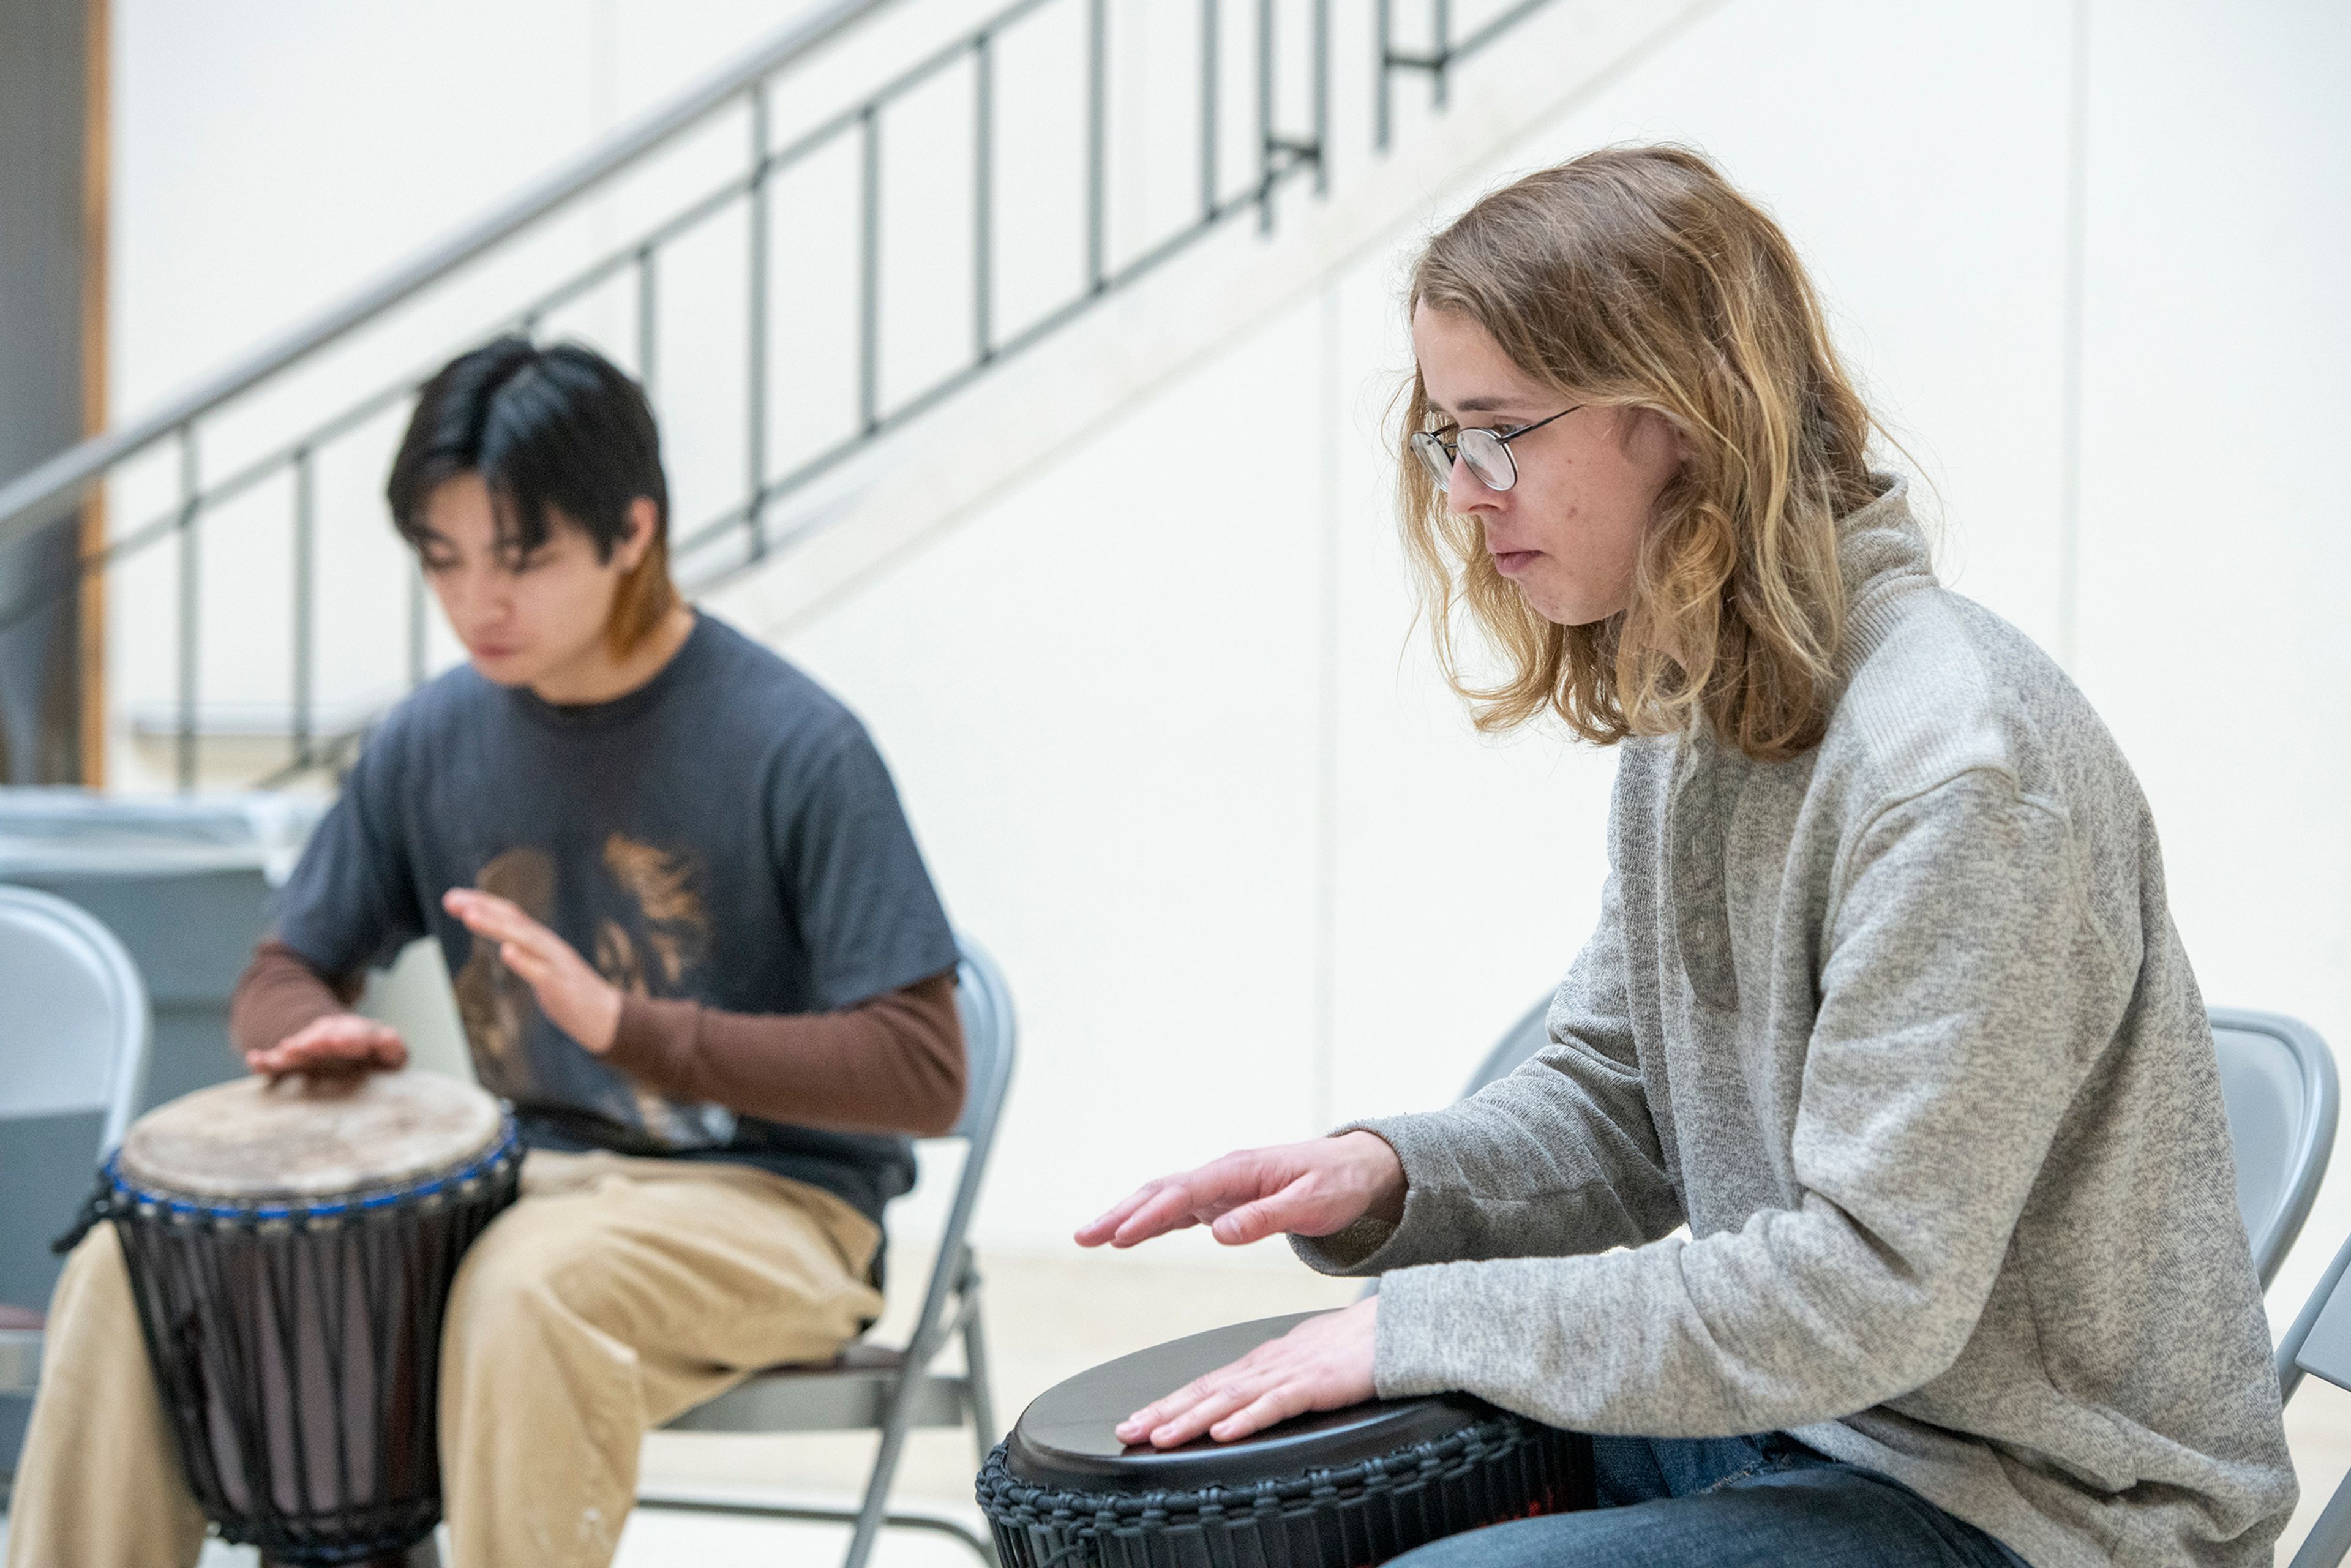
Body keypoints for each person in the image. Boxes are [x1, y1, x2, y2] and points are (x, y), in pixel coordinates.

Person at [1077, 146, 2295, 1568]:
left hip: (2042, 1509)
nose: (1466, 492)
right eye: (1444, 440)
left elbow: (1865, 1291)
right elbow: (1625, 1106)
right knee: (1225, 1506)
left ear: (1683, 414)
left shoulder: (1953, 771)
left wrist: (1419, 1326)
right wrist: (1388, 1178)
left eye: (1497, 431)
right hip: (1823, 1425)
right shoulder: (1702, 700)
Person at [7, 338, 966, 1568]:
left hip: (779, 1208)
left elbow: (924, 1069)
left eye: (524, 560)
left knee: (522, 1288)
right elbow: (282, 974)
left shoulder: (796, 745)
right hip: (521, 1184)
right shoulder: (433, 737)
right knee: (125, 1271)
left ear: (634, 533)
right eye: (443, 561)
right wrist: (305, 1031)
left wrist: (629, 1028)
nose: (477, 605)